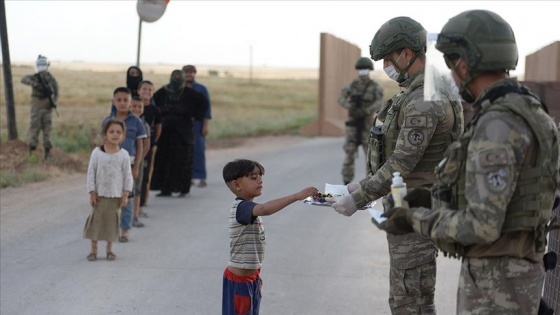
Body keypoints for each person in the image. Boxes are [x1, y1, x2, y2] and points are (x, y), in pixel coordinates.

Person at [379, 10, 560, 315]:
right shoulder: (531, 111)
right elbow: (512, 199)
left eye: (451, 63)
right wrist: (433, 199)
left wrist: (415, 219)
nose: (450, 73)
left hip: (496, 284)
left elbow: (482, 225)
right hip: (518, 278)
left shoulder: (498, 124)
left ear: (465, 63)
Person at [332, 16, 464, 314]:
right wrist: (363, 185)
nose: (384, 68)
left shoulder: (424, 99)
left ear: (407, 53)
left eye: (388, 59)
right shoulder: (425, 87)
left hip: (417, 209)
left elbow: (402, 162)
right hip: (412, 206)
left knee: (410, 300)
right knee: (414, 297)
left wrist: (358, 197)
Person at [221, 159, 319, 315]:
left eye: (260, 176)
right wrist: (296, 196)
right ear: (236, 185)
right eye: (253, 177)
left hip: (252, 278)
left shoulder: (249, 207)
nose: (260, 180)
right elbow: (265, 209)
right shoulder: (241, 207)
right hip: (238, 282)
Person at [150, 70, 208, 197]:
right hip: (165, 132)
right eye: (175, 78)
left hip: (184, 133)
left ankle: (183, 189)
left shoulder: (190, 93)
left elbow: (204, 104)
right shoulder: (163, 91)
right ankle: (165, 189)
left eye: (179, 78)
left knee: (183, 160)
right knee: (165, 159)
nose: (178, 80)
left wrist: (195, 116)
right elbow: (152, 103)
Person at [83, 118, 133, 261]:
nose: (115, 134)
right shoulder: (97, 153)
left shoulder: (124, 155)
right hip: (99, 195)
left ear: (123, 135)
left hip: (115, 195)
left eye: (119, 132)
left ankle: (109, 250)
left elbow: (127, 176)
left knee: (112, 223)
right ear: (105, 134)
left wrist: (125, 194)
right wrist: (92, 192)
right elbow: (91, 173)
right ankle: (93, 250)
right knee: (96, 223)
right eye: (111, 131)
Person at [102, 87, 147, 242]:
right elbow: (103, 143)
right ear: (113, 102)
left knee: (127, 197)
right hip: (109, 165)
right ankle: (110, 228)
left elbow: (140, 144)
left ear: (130, 102)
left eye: (125, 100)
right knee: (109, 197)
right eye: (119, 100)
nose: (122, 103)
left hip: (129, 165)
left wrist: (136, 167)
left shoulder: (136, 121)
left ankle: (125, 229)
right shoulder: (107, 121)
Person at [338, 57, 383, 185]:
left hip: (367, 124)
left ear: (369, 70)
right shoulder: (352, 86)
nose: (363, 71)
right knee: (349, 153)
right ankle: (346, 182)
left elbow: (379, 102)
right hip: (353, 125)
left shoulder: (375, 87)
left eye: (365, 69)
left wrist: (366, 110)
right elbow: (341, 99)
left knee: (370, 156)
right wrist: (350, 106)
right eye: (361, 69)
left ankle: (370, 184)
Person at [21, 55, 59, 160]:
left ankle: (47, 152)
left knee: (47, 129)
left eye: (43, 65)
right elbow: (24, 79)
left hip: (47, 107)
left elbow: (56, 91)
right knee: (34, 128)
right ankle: (31, 151)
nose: (42, 67)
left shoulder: (50, 79)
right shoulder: (35, 77)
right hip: (36, 107)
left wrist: (53, 102)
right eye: (40, 65)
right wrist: (35, 84)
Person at [183, 65, 212, 188]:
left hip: (197, 123)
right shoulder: (179, 88)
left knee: (198, 150)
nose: (189, 75)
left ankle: (201, 177)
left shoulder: (201, 89)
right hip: (182, 124)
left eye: (191, 72)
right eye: (186, 72)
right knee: (184, 151)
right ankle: (186, 177)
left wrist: (205, 125)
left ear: (195, 73)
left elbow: (207, 109)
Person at [137, 80, 162, 210]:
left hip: (148, 146)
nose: (147, 92)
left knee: (145, 173)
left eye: (150, 90)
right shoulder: (133, 106)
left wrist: (153, 143)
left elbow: (158, 127)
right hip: (133, 146)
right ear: (138, 91)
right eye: (144, 89)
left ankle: (142, 200)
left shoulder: (154, 110)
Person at [130, 96, 150, 228]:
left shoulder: (144, 125)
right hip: (123, 161)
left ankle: (135, 215)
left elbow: (146, 145)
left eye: (139, 107)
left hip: (138, 161)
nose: (136, 109)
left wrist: (138, 160)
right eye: (134, 106)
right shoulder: (124, 122)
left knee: (136, 189)